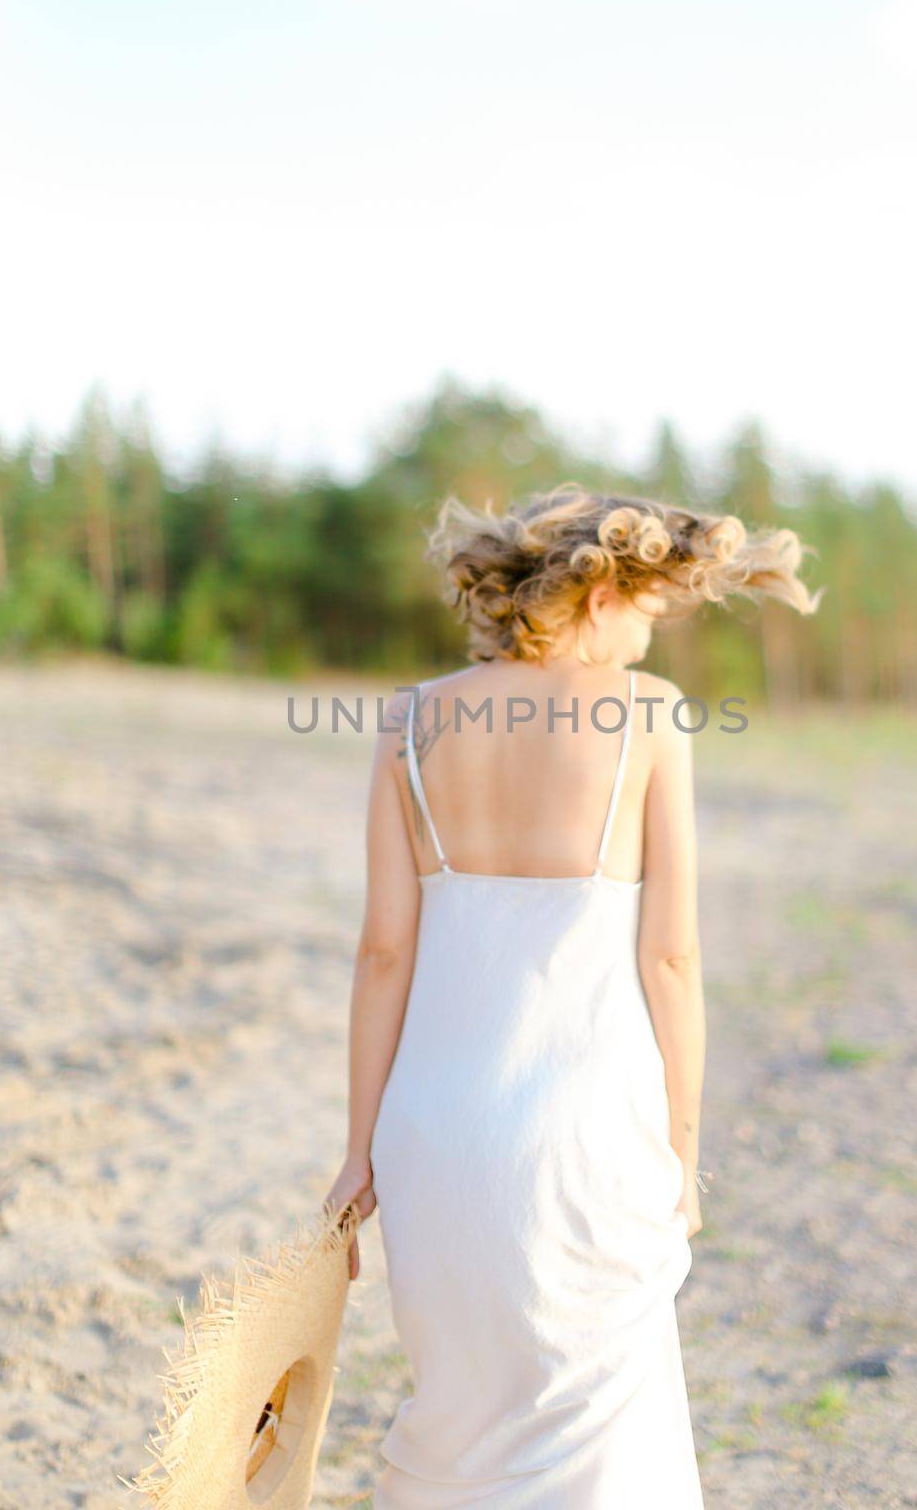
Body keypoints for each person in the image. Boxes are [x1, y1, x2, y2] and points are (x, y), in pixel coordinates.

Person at [324, 485, 819, 1508]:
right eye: (646, 612)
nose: (647, 640)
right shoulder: (645, 719)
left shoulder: (408, 720)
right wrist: (682, 1153)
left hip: (433, 1134)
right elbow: (670, 960)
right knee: (600, 1443)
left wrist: (357, 1151)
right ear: (597, 594)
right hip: (585, 1138)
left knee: (460, 1414)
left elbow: (382, 953)